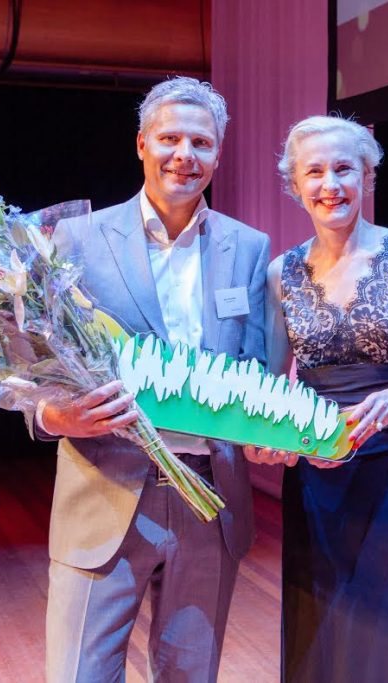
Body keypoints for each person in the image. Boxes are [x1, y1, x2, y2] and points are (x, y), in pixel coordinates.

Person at [27, 76, 270, 682]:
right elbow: (34, 369)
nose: (184, 155)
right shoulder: (75, 238)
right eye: (169, 138)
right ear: (142, 144)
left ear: (218, 155)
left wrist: (276, 431)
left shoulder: (248, 247)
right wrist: (54, 417)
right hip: (104, 493)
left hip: (210, 501)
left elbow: (258, 370)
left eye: (201, 143)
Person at [243, 115, 388, 682]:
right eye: (314, 172)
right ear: (295, 185)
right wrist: (270, 442)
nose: (330, 184)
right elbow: (269, 389)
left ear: (367, 175)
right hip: (320, 479)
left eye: (344, 168)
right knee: (324, 635)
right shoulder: (279, 274)